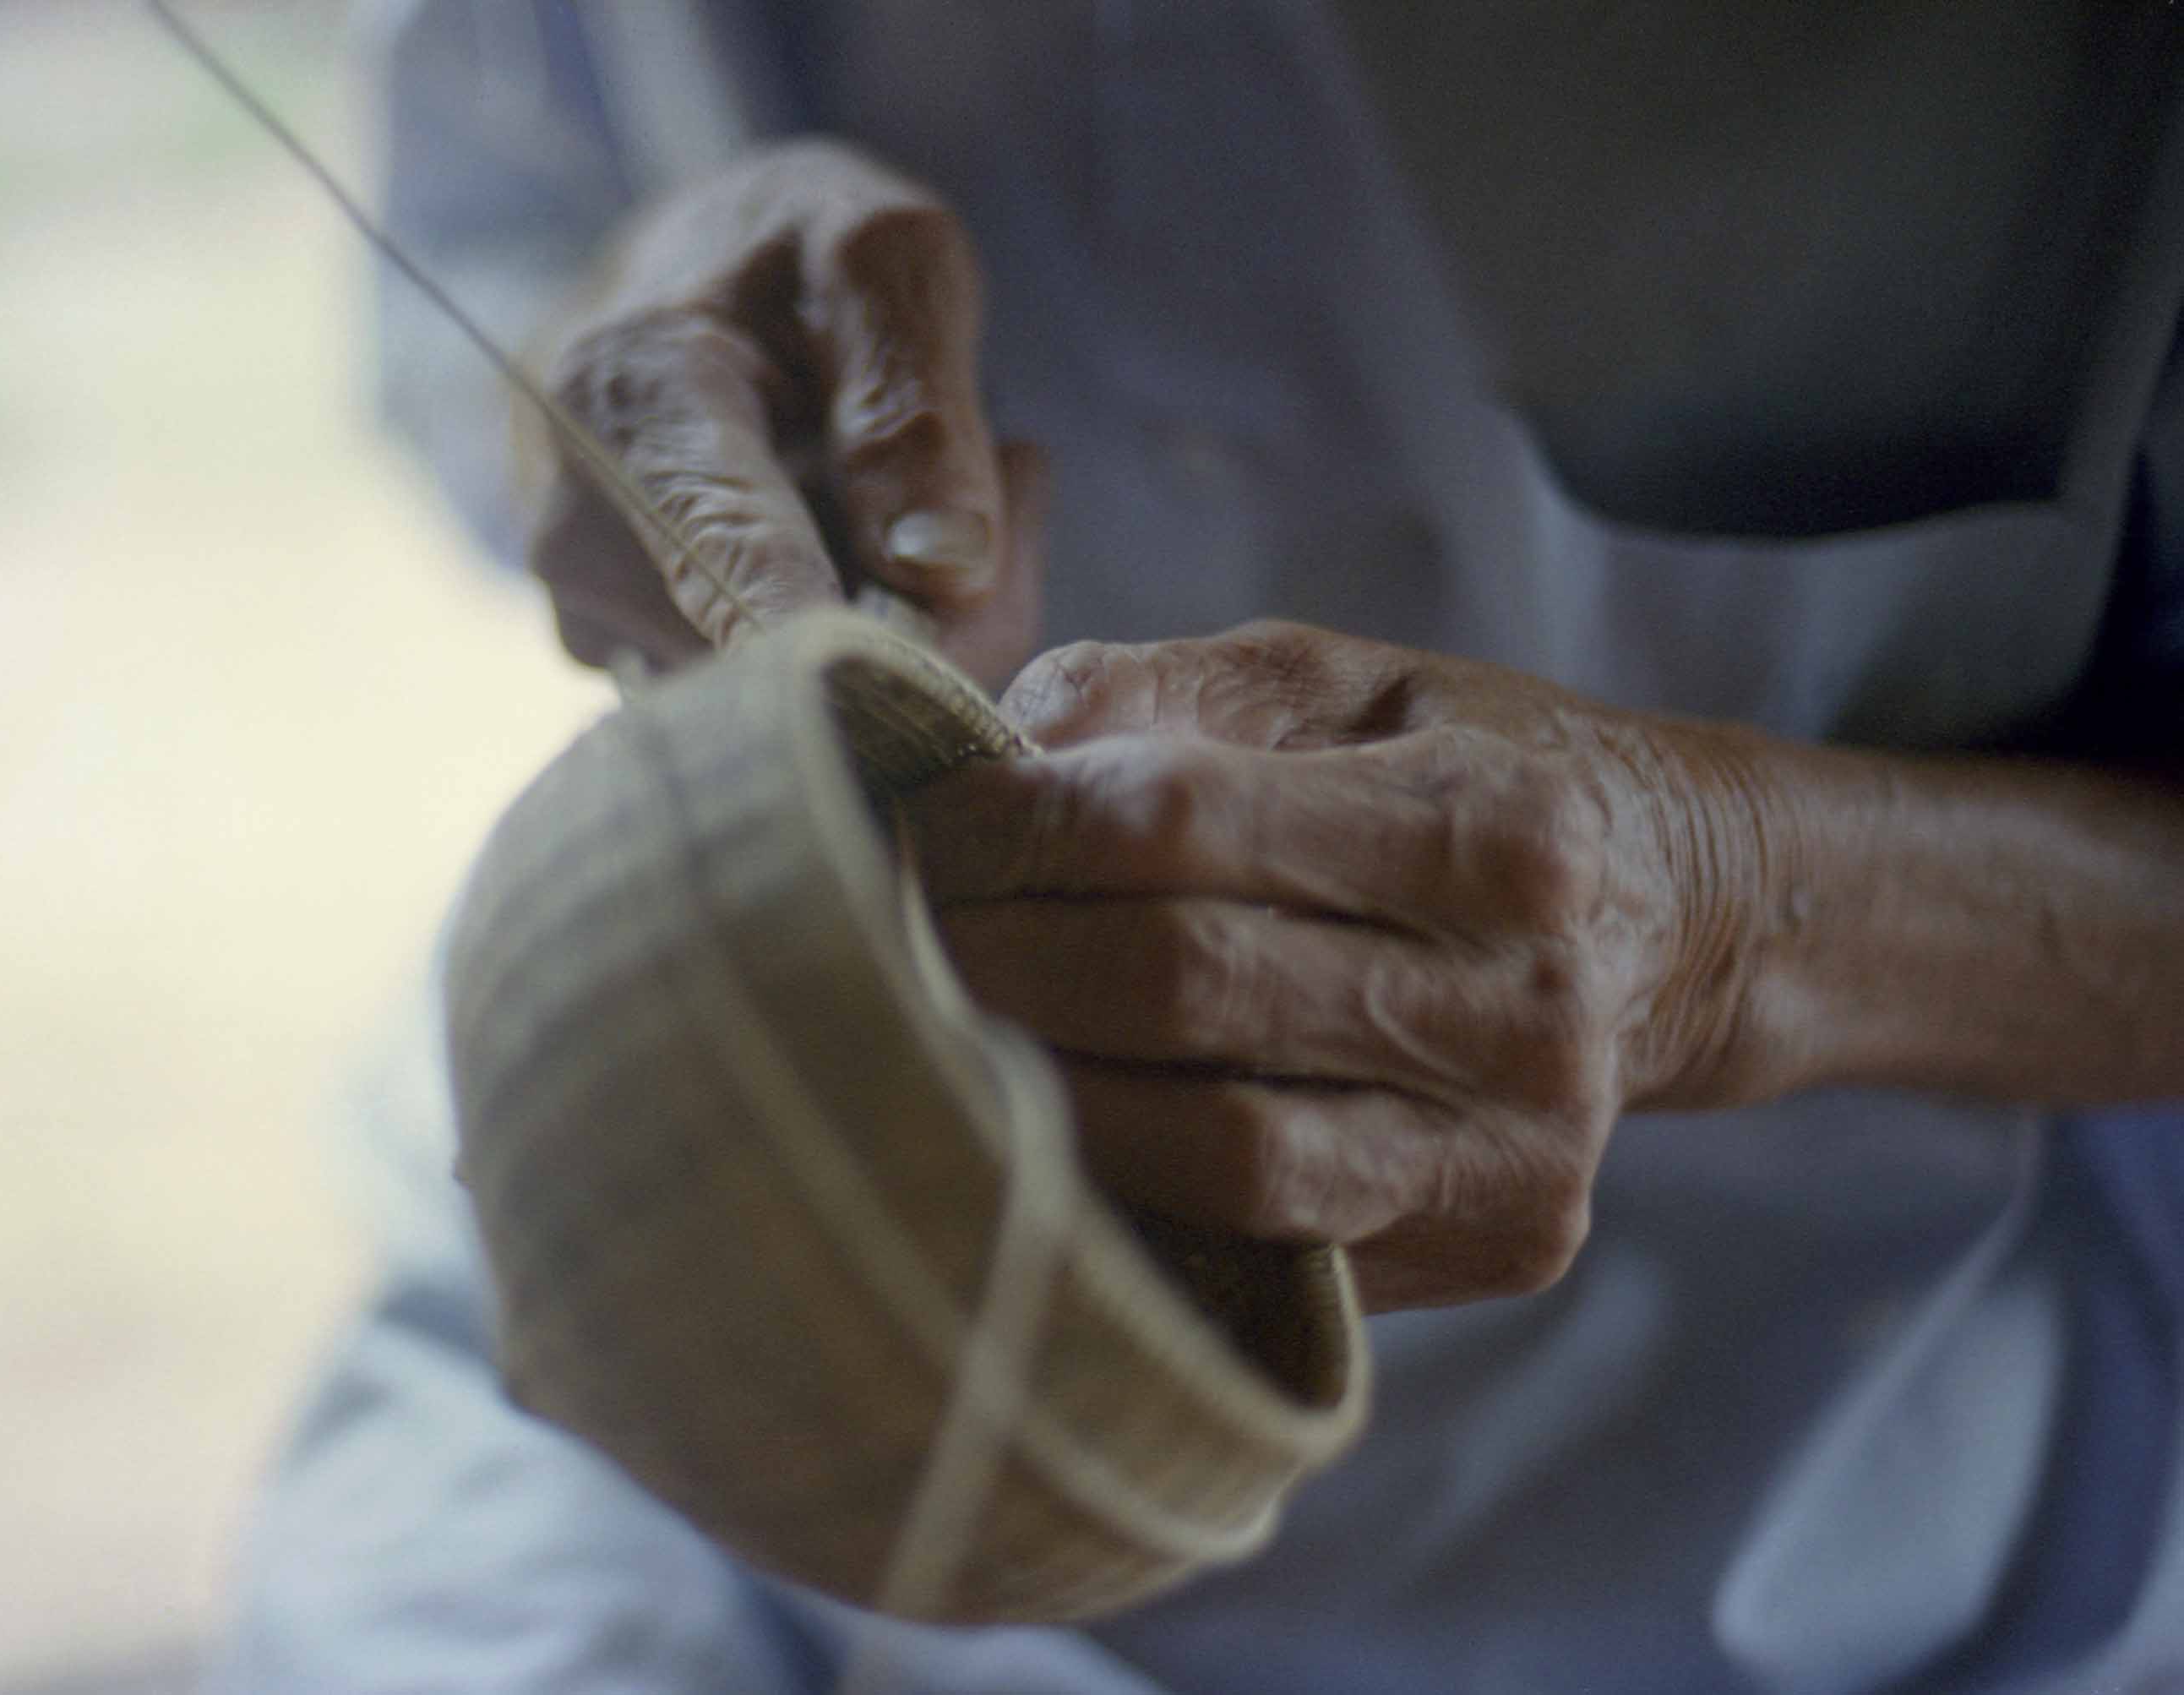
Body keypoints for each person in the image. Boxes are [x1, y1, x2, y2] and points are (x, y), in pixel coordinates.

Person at [223, 3, 2184, 1689]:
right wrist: (642, 300)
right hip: (668, 1247)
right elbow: (488, 219)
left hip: (1824, 1499)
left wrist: (1725, 913)